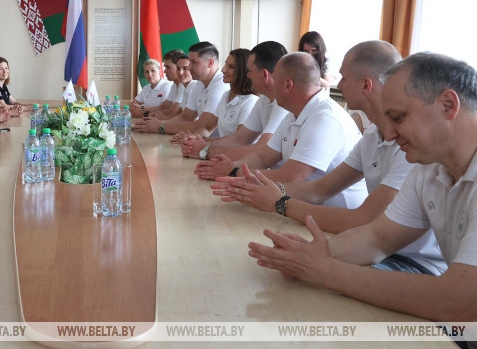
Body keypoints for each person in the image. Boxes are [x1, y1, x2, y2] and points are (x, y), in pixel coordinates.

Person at [247, 52, 477, 329]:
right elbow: (378, 238)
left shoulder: (420, 160)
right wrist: (306, 255)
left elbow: (458, 302)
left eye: (399, 118)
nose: (389, 134)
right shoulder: (428, 168)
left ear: (448, 105)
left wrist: (326, 269)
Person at [213, 41, 445, 275]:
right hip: (367, 243)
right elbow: (320, 190)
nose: (337, 84)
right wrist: (264, 190)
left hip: (411, 261)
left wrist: (279, 201)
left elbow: (364, 220)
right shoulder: (374, 135)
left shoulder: (412, 144)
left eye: (343, 77)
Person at [195, 52, 366, 209]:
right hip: (300, 206)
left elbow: (290, 176)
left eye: (274, 79)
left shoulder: (325, 119)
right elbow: (263, 157)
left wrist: (234, 172)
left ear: (287, 85)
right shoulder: (294, 113)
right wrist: (231, 167)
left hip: (332, 215)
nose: (269, 83)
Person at [179, 41, 289, 161]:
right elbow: (239, 138)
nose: (248, 76)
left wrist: (205, 150)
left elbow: (261, 148)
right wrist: (197, 142)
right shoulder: (263, 99)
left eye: (250, 71)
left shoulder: (280, 103)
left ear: (264, 75)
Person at [134, 42, 228, 136]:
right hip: (199, 139)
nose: (189, 67)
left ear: (210, 63)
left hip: (217, 145)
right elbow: (185, 117)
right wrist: (155, 124)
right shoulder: (200, 83)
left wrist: (162, 126)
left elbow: (202, 124)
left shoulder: (221, 84)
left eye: (194, 62)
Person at [149, 50, 198, 120]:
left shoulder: (193, 87)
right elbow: (179, 113)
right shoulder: (183, 85)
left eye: (185, 68)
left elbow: (185, 118)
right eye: (178, 69)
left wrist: (163, 121)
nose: (180, 72)